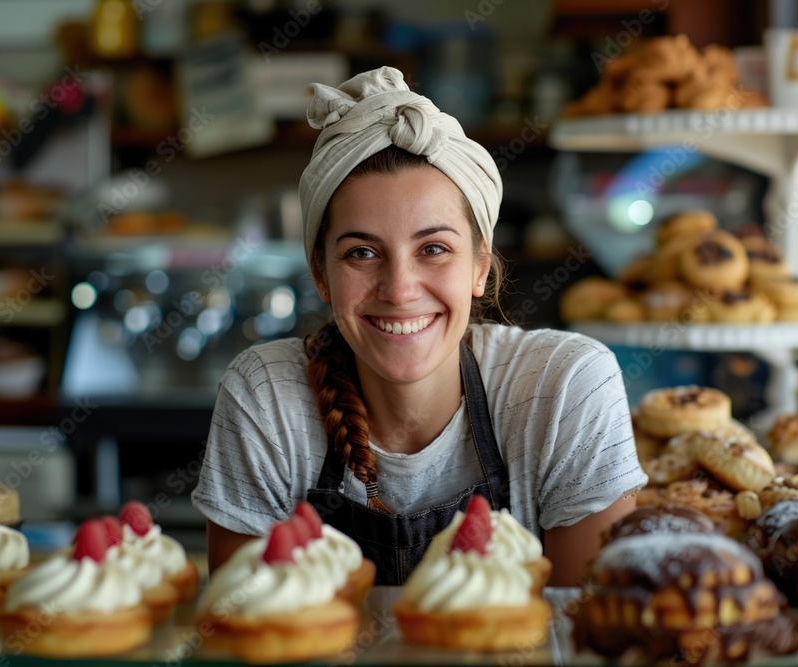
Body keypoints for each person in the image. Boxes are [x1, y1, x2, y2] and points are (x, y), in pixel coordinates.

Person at [192, 66, 647, 586]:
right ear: (321, 274)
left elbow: (580, 636)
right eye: (361, 253)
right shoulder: (266, 397)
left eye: (433, 249)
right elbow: (245, 637)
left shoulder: (565, 388)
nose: (400, 288)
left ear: (480, 265)